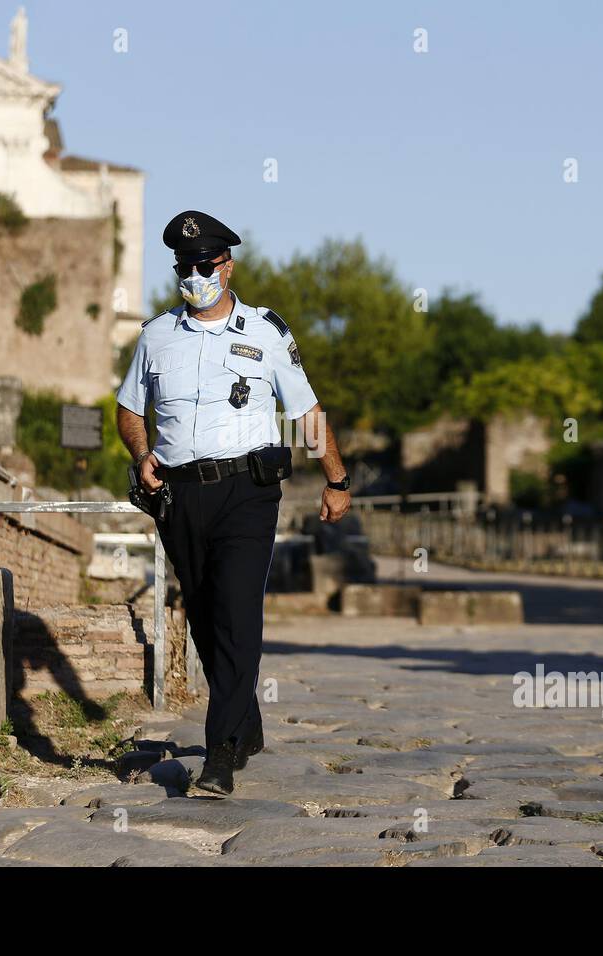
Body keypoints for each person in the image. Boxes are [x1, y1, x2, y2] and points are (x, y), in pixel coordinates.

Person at [116, 210, 352, 795]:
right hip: (179, 495)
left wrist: (336, 480)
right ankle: (244, 720)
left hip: (248, 492)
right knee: (202, 616)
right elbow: (128, 409)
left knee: (237, 611)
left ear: (228, 266)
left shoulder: (266, 332)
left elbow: (305, 413)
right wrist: (142, 453)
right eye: (184, 266)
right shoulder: (156, 335)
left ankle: (219, 754)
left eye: (205, 264)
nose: (195, 275)